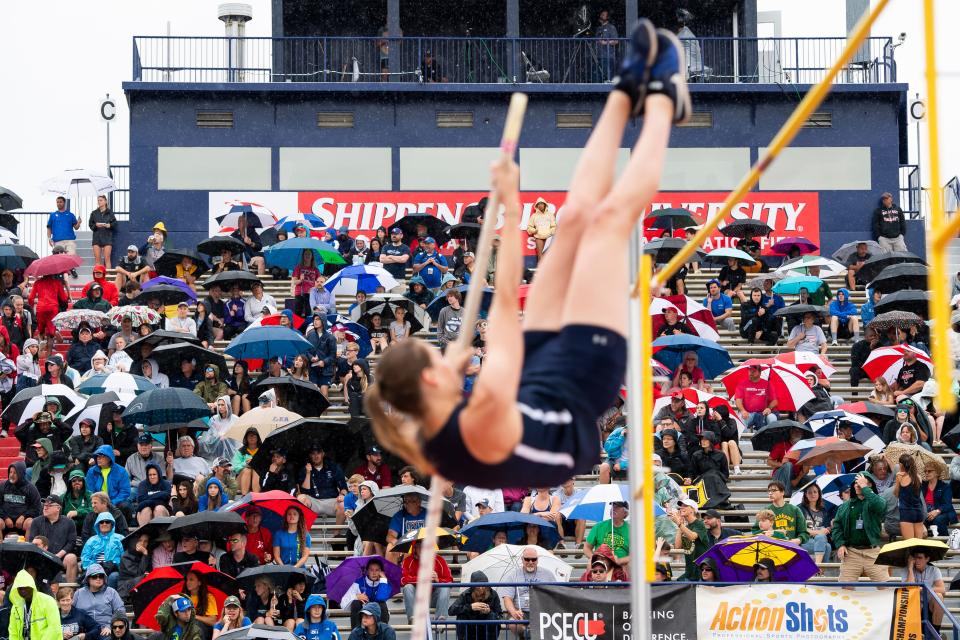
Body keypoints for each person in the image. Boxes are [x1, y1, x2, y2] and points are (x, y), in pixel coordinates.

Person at [832, 471, 888, 582]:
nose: (858, 485)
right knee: (845, 588)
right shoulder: (844, 506)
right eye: (856, 483)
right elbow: (837, 526)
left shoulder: (877, 501)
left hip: (873, 552)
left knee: (885, 587)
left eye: (861, 482)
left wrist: (865, 488)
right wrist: (840, 544)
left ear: (870, 484)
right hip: (851, 552)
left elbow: (880, 507)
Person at [502, 547, 554, 636]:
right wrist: (514, 612)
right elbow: (507, 598)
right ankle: (526, 634)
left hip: (542, 611)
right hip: (520, 611)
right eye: (527, 559)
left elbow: (554, 595)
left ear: (537, 560)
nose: (530, 562)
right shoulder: (513, 575)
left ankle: (529, 634)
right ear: (522, 559)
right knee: (513, 624)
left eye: (534, 559)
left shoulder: (548, 574)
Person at [28, 495, 80, 583]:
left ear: (58, 508)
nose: (45, 507)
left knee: (71, 558)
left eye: (49, 505)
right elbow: (32, 542)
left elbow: (71, 543)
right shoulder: (36, 521)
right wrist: (46, 556)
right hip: (41, 557)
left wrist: (57, 556)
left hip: (61, 558)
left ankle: (69, 590)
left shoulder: (69, 522)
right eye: (44, 505)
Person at [400, 541, 452, 624]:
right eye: (419, 546)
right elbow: (402, 580)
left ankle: (440, 620)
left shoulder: (439, 560)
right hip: (417, 599)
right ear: (415, 548)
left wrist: (438, 580)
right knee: (407, 587)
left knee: (445, 586)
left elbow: (449, 580)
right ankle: (413, 619)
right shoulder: (408, 561)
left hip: (433, 598)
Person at [340, 558, 393, 629]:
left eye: (377, 570)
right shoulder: (358, 582)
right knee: (356, 603)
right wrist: (356, 597)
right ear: (367, 571)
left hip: (378, 613)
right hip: (362, 613)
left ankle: (383, 633)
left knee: (382, 604)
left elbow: (381, 598)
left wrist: (383, 579)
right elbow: (343, 604)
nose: (374, 573)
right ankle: (356, 634)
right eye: (371, 570)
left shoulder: (385, 583)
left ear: (381, 571)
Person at [9, 569, 62, 640]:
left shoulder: (48, 601)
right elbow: (13, 633)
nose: (23, 591)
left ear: (32, 586)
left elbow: (54, 629)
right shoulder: (16, 607)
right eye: (20, 588)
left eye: (26, 587)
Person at [448, 570, 501, 640]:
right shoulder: (466, 594)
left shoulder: (493, 594)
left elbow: (499, 615)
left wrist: (489, 612)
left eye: (484, 586)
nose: (481, 588)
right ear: (473, 587)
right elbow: (451, 610)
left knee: (492, 617)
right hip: (470, 627)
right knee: (461, 616)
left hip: (486, 627)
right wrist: (470, 607)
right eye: (478, 586)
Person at [903, 549, 947, 632]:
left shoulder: (934, 570)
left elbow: (942, 589)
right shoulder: (907, 570)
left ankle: (936, 633)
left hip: (929, 606)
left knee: (939, 596)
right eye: (915, 558)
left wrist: (924, 588)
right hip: (913, 605)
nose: (917, 561)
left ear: (927, 559)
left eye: (920, 558)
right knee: (914, 599)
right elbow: (908, 589)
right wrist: (910, 569)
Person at [74, 563, 125, 633]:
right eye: (94, 576)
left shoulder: (111, 592)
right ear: (88, 579)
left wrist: (110, 626)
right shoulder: (79, 593)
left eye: (101, 576)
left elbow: (120, 611)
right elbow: (71, 612)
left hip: (105, 630)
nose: (98, 579)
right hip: (84, 630)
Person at [583, 501, 630, 570]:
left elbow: (635, 554)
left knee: (628, 565)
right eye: (612, 506)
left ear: (625, 513)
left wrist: (619, 561)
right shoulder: (599, 526)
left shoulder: (631, 530)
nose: (613, 509)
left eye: (617, 507)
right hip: (602, 560)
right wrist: (595, 558)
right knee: (590, 563)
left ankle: (625, 580)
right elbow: (586, 548)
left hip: (621, 562)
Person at [797, 483, 835, 566]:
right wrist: (818, 532)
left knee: (828, 546)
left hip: (819, 541)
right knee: (821, 538)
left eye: (815, 492)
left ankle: (821, 574)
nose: (812, 494)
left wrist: (830, 527)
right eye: (809, 492)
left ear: (819, 494)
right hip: (805, 541)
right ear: (806, 495)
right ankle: (817, 567)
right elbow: (800, 529)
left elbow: (825, 528)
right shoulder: (800, 509)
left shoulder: (823, 510)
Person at [0, 461, 41, 537]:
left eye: (15, 473)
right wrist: (5, 517)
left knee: (30, 523)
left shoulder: (31, 488)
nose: (11, 475)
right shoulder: (2, 486)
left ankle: (28, 548)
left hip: (23, 522)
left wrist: (24, 516)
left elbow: (36, 508)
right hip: (5, 521)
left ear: (21, 473)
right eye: (10, 472)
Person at [733, 364, 778, 430]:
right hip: (748, 413)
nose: (751, 373)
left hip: (763, 413)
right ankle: (742, 440)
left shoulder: (767, 384)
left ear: (760, 372)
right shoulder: (742, 384)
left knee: (772, 418)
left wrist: (768, 408)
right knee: (740, 419)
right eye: (749, 370)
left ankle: (770, 439)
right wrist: (743, 410)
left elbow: (775, 401)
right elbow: (738, 400)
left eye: (753, 371)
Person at [894, 453, 926, 539]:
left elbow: (896, 494)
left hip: (906, 512)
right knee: (918, 545)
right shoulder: (918, 477)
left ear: (901, 464)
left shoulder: (899, 476)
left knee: (910, 545)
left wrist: (897, 479)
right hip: (918, 512)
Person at [922, 465, 957, 537]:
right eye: (925, 471)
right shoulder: (922, 485)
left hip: (943, 512)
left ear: (937, 473)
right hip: (926, 511)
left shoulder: (945, 486)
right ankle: (924, 546)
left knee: (938, 520)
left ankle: (945, 541)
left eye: (929, 471)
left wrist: (937, 511)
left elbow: (947, 505)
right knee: (919, 520)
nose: (926, 473)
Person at [526, 198, 557, 263]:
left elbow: (554, 226)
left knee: (548, 253)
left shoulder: (550, 215)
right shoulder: (534, 216)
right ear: (536, 206)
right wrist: (534, 231)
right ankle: (540, 269)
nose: (540, 205)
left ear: (545, 205)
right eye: (539, 204)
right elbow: (529, 227)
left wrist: (550, 232)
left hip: (548, 237)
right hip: (539, 237)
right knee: (540, 254)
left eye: (542, 204)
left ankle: (548, 268)